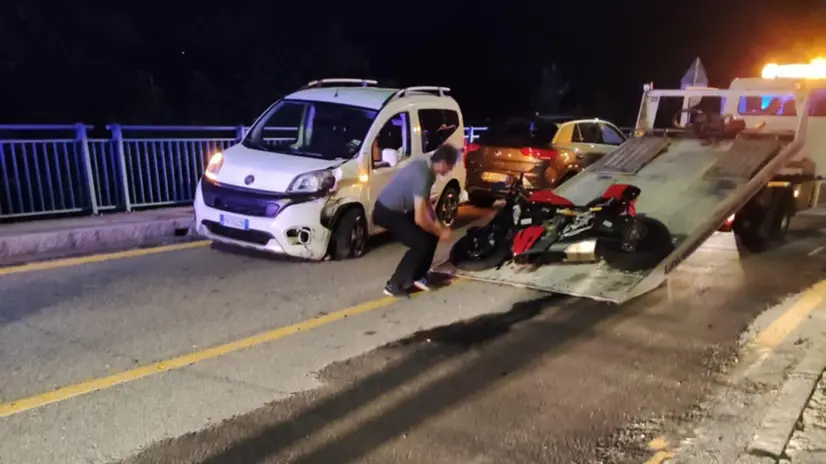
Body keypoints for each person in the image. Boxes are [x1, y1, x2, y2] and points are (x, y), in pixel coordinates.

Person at [372, 143, 459, 296]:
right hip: (387, 211)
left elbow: (425, 203)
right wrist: (439, 231)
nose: (450, 171)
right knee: (419, 244)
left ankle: (418, 277)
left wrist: (438, 225)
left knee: (430, 237)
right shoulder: (423, 174)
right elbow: (420, 219)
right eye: (450, 167)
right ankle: (394, 285)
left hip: (401, 209)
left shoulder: (428, 168)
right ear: (443, 163)